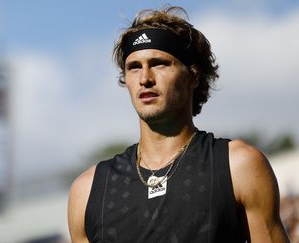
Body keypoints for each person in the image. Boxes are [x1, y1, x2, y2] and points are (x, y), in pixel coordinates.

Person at [67, 5, 290, 243]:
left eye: (159, 63)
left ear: (193, 76)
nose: (145, 79)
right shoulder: (88, 191)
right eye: (134, 67)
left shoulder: (239, 165)